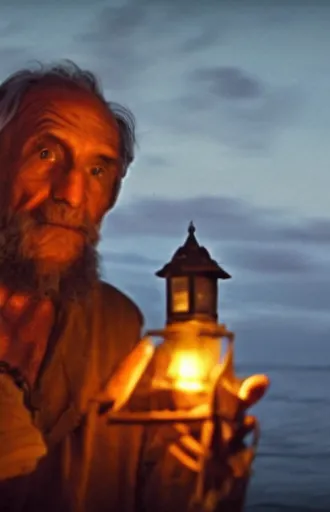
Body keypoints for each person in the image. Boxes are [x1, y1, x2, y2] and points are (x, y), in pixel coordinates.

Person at [0, 61, 269, 511]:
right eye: (45, 154)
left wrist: (200, 473)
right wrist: (106, 426)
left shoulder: (115, 327)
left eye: (97, 171)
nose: (71, 193)